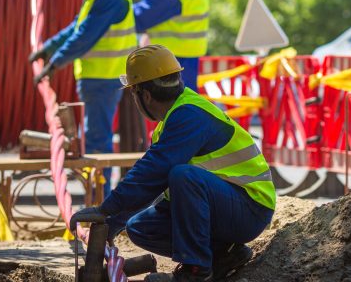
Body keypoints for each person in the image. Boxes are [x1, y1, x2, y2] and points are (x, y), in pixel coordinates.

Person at [70, 45, 275, 282]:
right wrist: (111, 223)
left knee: (183, 176)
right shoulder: (176, 116)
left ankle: (195, 272)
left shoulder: (189, 114)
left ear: (144, 95)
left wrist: (106, 209)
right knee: (140, 227)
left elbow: (151, 171)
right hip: (229, 205)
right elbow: (152, 182)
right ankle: (224, 256)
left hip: (250, 209)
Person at [29, 0, 137, 193]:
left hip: (104, 78)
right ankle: (99, 197)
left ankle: (101, 200)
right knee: (96, 138)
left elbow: (84, 36)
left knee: (98, 141)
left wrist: (54, 64)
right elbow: (76, 26)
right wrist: (48, 48)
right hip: (98, 78)